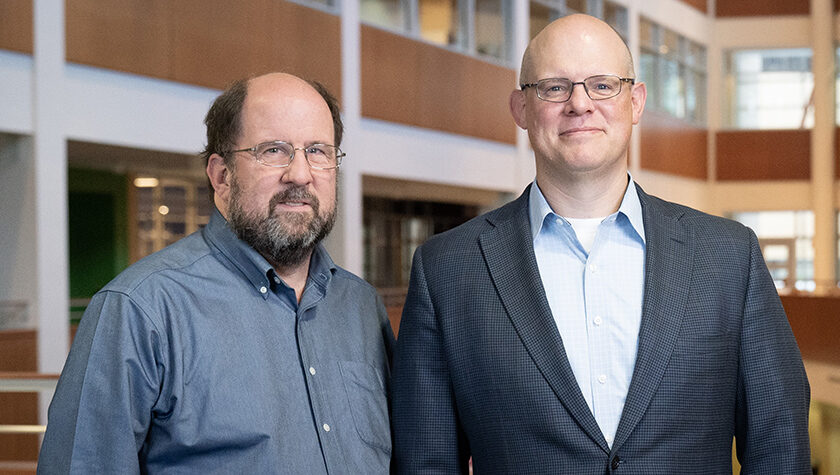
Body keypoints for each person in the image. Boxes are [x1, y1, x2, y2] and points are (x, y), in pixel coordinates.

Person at [391, 14, 810, 474]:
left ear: (635, 101)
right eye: (554, 87)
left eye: (603, 85)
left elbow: (779, 447)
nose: (579, 103)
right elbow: (425, 461)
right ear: (521, 108)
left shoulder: (730, 257)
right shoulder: (446, 270)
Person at [38, 73, 395, 473]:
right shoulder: (140, 311)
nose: (300, 173)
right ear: (221, 176)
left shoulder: (362, 306)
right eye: (273, 150)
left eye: (318, 151)